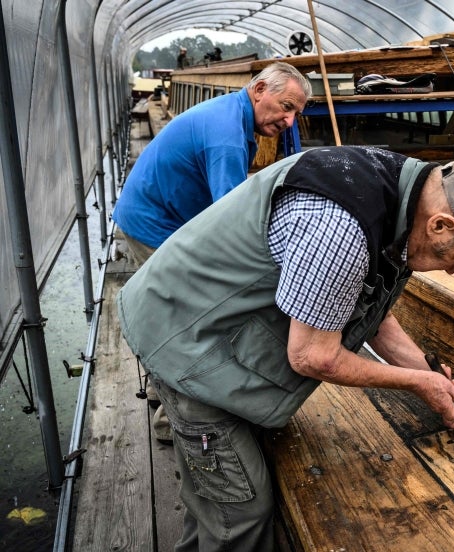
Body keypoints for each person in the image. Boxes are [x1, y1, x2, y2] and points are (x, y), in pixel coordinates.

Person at [116, 146, 454, 552]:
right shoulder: (340, 228)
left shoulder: (399, 193)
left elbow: (366, 309)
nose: (452, 270)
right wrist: (419, 383)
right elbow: (312, 355)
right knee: (243, 507)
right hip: (186, 342)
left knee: (217, 485)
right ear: (442, 225)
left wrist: (439, 378)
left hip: (203, 324)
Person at [113, 61, 310, 442]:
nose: (289, 122)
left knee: (180, 314)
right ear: (258, 91)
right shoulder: (227, 138)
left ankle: (161, 393)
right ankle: (175, 421)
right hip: (152, 225)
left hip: (162, 214)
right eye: (286, 107)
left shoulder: (233, 115)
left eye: (296, 114)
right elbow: (233, 224)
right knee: (190, 322)